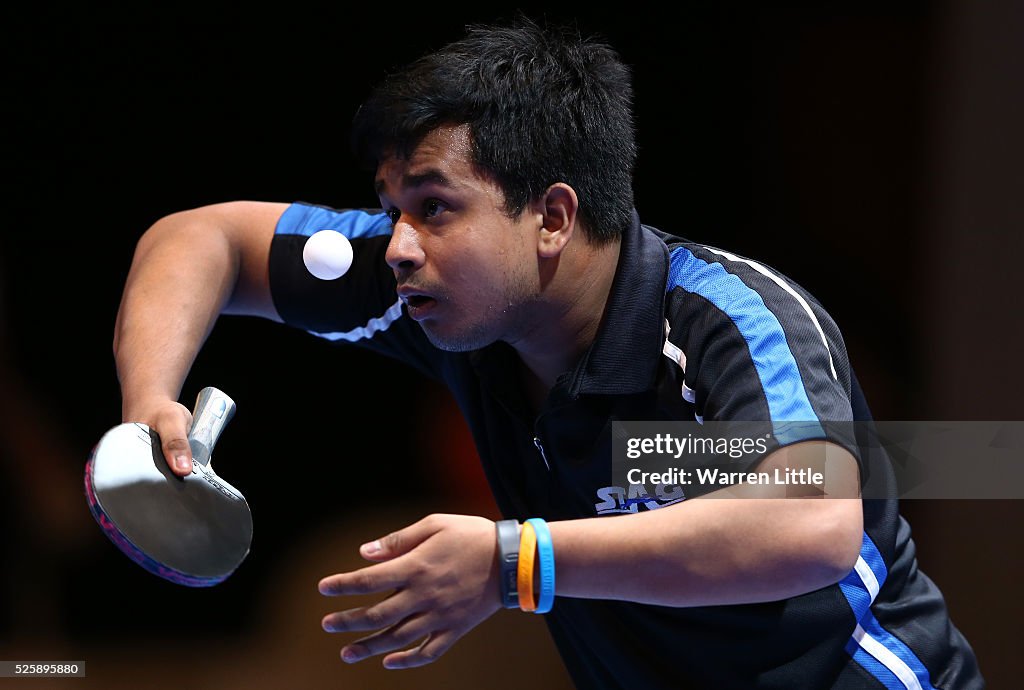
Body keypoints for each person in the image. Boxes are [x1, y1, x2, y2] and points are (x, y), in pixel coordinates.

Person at [112, 16, 983, 689]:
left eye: (435, 205)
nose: (400, 243)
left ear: (553, 217)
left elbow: (812, 523)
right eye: (389, 207)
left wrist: (513, 563)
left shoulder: (728, 317)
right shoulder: (433, 290)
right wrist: (150, 398)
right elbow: (202, 240)